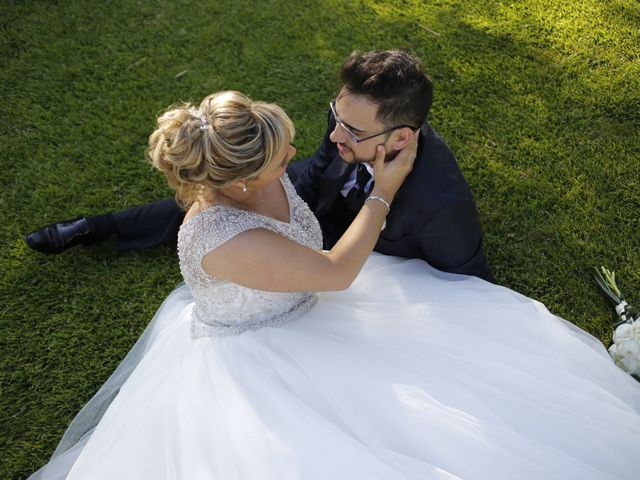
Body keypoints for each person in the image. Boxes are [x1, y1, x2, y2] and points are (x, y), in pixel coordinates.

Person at [29, 91, 640, 480]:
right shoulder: (222, 237)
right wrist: (384, 189)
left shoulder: (248, 176)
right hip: (260, 350)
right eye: (280, 153)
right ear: (240, 182)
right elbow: (337, 274)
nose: (297, 150)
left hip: (307, 303)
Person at [26, 49, 493, 282]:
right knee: (224, 190)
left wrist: (379, 198)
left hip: (364, 262)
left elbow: (470, 282)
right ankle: (97, 227)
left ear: (402, 138)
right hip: (324, 204)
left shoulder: (441, 204)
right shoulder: (350, 123)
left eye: (350, 131)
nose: (333, 136)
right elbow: (316, 172)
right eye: (337, 116)